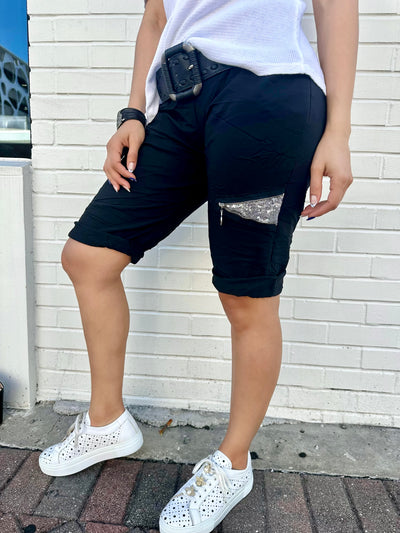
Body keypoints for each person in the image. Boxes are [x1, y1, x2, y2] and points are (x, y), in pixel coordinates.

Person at [38, 1, 358, 532]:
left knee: (246, 295)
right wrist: (133, 112)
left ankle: (233, 463)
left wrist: (338, 130)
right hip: (179, 105)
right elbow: (155, 17)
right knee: (88, 257)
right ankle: (106, 421)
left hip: (267, 101)